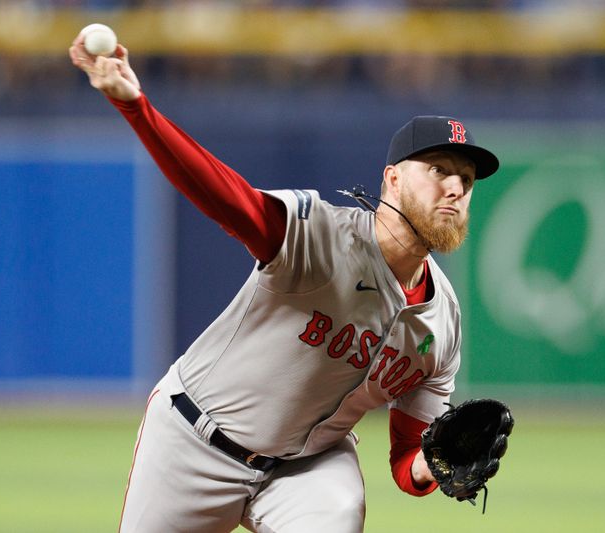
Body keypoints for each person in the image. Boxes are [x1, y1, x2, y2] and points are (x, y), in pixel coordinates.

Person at [69, 31, 500, 533]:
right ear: (393, 180)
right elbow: (224, 196)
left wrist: (434, 466)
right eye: (438, 170)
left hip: (307, 469)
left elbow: (408, 456)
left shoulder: (442, 325)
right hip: (194, 442)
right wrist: (138, 108)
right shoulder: (319, 235)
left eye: (466, 181)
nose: (454, 188)